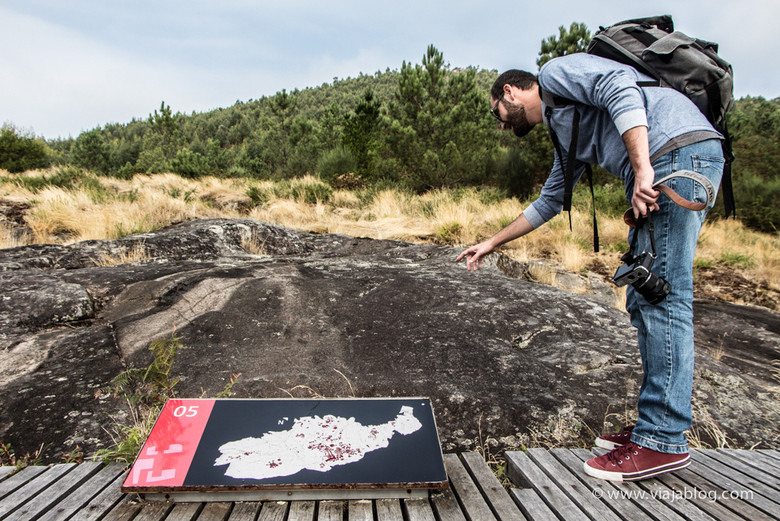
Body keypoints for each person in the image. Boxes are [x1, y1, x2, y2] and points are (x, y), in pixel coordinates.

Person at [456, 53, 724, 482]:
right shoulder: (566, 129)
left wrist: (641, 169)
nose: (502, 125)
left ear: (510, 91)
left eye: (498, 114)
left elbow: (620, 85)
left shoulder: (554, 74)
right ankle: (656, 427)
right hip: (673, 158)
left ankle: (663, 439)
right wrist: (490, 243)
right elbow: (550, 201)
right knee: (644, 295)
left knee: (663, 299)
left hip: (675, 154)